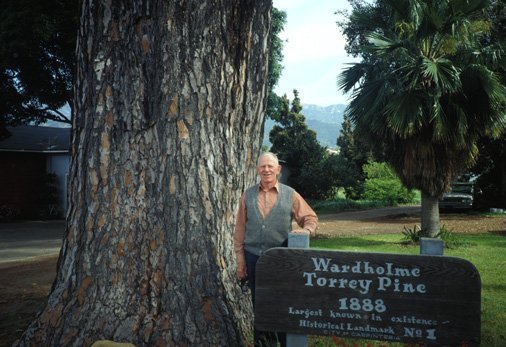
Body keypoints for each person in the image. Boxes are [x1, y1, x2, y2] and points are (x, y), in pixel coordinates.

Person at [233, 152, 318, 347]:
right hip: (254, 259)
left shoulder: (290, 194)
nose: (266, 170)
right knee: (260, 307)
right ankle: (264, 344)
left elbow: (310, 218)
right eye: (262, 166)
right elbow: (240, 230)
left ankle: (286, 343)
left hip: (282, 261)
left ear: (278, 170)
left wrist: (306, 231)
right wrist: (240, 260)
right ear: (257, 170)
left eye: (270, 166)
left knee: (284, 305)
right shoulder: (248, 195)